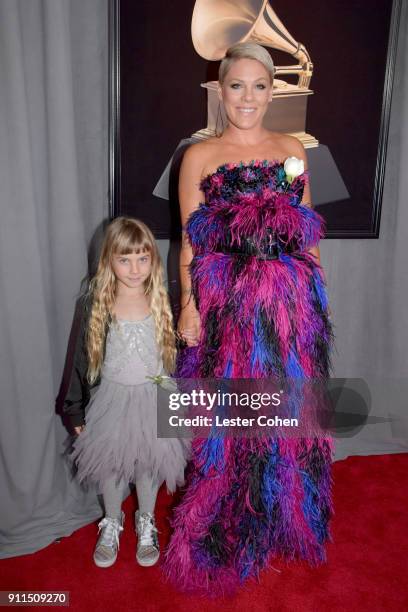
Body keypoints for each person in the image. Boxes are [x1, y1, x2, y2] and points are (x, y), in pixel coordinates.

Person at [162, 42, 335, 594]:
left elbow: (307, 236)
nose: (247, 97)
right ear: (221, 90)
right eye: (236, 85)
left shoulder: (293, 149)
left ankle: (284, 519)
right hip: (228, 310)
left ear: (271, 91)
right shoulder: (197, 155)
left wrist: (317, 301)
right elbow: (189, 243)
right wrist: (189, 306)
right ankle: (226, 530)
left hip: (289, 311)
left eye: (259, 86)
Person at [62, 216, 189, 569]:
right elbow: (79, 359)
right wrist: (74, 409)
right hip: (112, 398)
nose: (134, 268)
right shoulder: (94, 303)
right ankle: (112, 521)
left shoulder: (165, 299)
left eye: (142, 258)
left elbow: (177, 360)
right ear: (109, 261)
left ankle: (145, 520)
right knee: (111, 464)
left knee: (149, 460)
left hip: (155, 394)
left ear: (153, 260)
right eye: (124, 259)